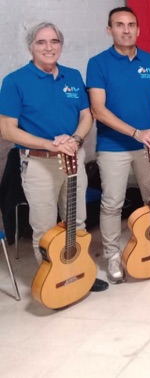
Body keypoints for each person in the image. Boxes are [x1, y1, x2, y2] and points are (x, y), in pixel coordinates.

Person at [0, 22, 107, 292]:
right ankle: (54, 284)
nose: (49, 47)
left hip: (73, 159)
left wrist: (75, 140)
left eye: (54, 41)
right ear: (30, 47)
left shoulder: (73, 76)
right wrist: (50, 145)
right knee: (45, 229)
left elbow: (86, 116)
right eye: (41, 42)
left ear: (61, 45)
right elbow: (7, 130)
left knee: (77, 223)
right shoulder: (14, 81)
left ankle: (79, 273)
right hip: (38, 163)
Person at [87, 7, 150, 284]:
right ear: (109, 30)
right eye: (119, 25)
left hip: (148, 144)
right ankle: (112, 255)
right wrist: (137, 133)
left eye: (131, 25)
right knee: (112, 204)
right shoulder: (98, 63)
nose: (126, 30)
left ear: (138, 30)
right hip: (113, 146)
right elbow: (98, 109)